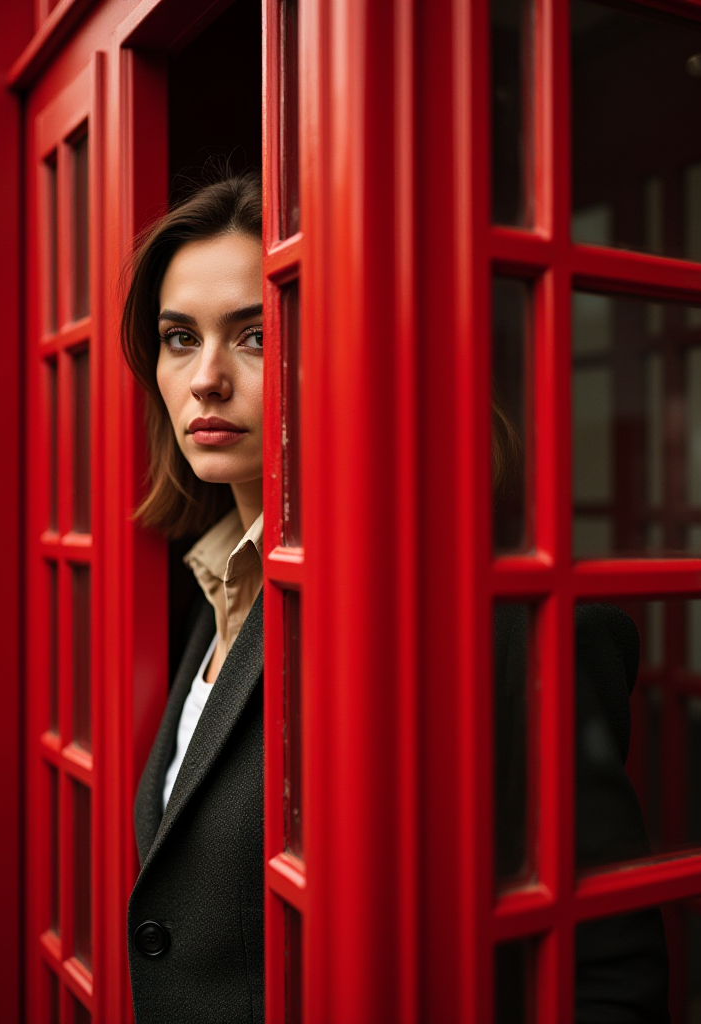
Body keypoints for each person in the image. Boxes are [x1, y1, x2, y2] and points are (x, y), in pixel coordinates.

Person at [121, 173, 668, 1023]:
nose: (207, 380)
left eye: (258, 336)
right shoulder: (223, 580)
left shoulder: (494, 634)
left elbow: (605, 977)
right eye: (179, 338)